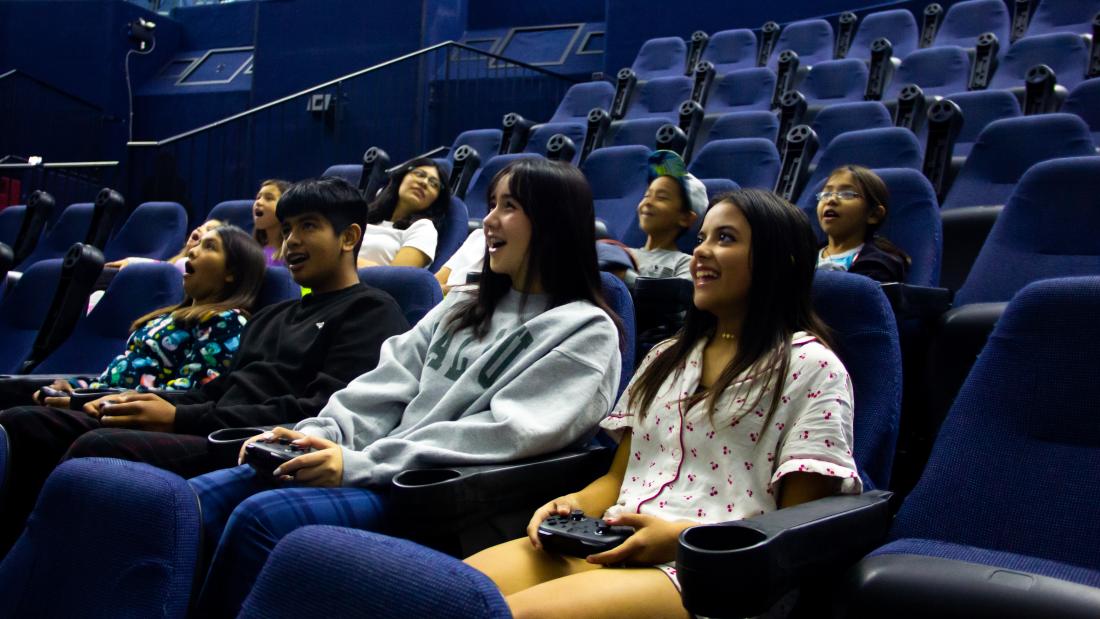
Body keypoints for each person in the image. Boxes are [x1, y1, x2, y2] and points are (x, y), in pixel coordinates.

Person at [185, 157, 624, 616]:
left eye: (509, 206)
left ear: (553, 222)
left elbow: (503, 437)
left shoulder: (585, 330)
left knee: (260, 519)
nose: (489, 219)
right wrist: (319, 434)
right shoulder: (463, 302)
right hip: (376, 468)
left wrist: (361, 464)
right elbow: (384, 384)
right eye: (491, 203)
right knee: (203, 499)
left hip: (439, 498)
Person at [464, 189, 861, 619]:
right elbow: (619, 479)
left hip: (711, 569)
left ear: (780, 263)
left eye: (725, 238)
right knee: (446, 596)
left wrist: (680, 536)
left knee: (503, 616)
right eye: (703, 238)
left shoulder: (813, 368)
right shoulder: (666, 357)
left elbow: (795, 526)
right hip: (611, 537)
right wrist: (575, 504)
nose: (702, 252)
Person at [0, 177, 409, 551]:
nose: (291, 243)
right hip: (211, 423)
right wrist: (135, 402)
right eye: (286, 231)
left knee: (99, 446)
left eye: (308, 227)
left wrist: (180, 418)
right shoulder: (272, 314)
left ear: (349, 237)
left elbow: (315, 412)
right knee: (31, 422)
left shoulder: (371, 311)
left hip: (247, 443)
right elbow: (218, 390)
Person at [37, 224, 264, 402]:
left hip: (126, 415)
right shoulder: (169, 316)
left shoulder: (228, 321)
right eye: (197, 244)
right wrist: (75, 388)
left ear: (232, 273)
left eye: (210, 247)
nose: (193, 251)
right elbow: (116, 376)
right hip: (101, 401)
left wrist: (84, 400)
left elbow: (193, 391)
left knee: (22, 421)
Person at [597, 150, 708, 285]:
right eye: (647, 195)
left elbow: (676, 297)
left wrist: (625, 277)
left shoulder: (686, 263)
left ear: (685, 218)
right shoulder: (621, 253)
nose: (648, 202)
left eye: (662, 197)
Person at [815, 165, 910, 283]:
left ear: (873, 215)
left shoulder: (876, 266)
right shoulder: (805, 254)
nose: (831, 200)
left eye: (847, 194)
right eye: (826, 194)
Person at [358, 158, 450, 269]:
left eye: (434, 184)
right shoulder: (362, 216)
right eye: (419, 174)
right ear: (402, 177)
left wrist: (344, 263)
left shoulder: (424, 228)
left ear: (436, 200)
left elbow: (396, 279)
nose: (424, 182)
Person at [105, 218, 224, 273]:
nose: (199, 228)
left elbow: (167, 269)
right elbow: (167, 265)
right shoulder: (176, 261)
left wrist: (132, 263)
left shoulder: (185, 265)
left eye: (208, 229)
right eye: (202, 225)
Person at [252, 179, 291, 265]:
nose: (258, 202)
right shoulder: (250, 252)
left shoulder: (291, 254)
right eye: (258, 197)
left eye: (269, 198)